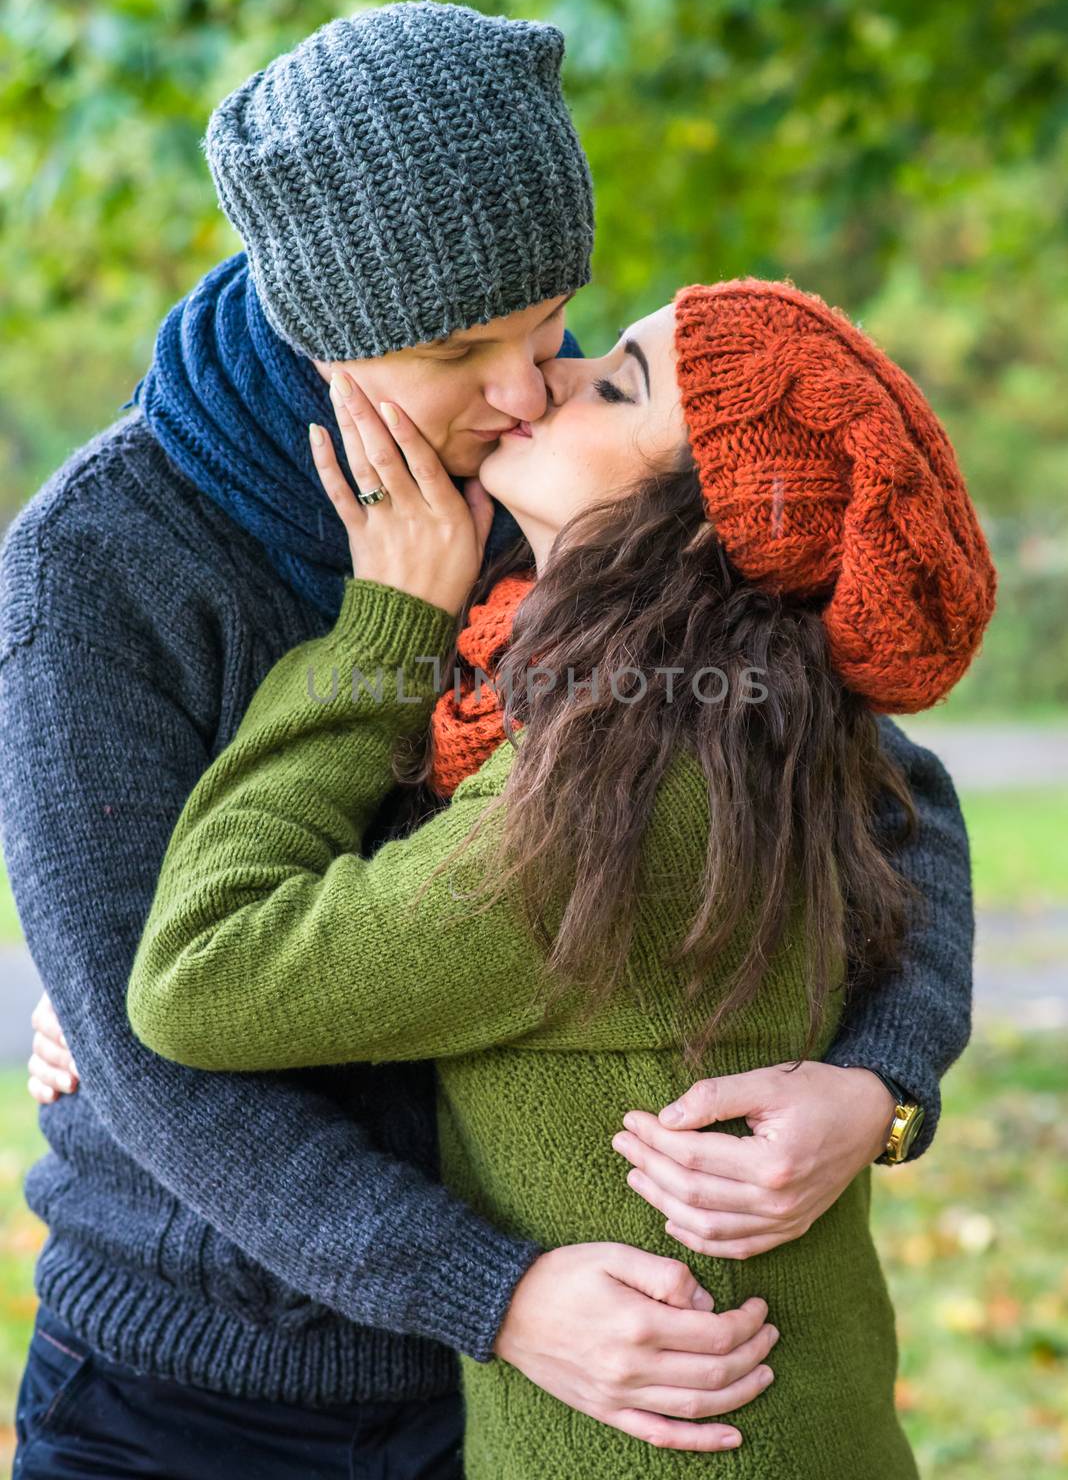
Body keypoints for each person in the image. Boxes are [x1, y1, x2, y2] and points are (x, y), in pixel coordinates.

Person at [1, 0, 972, 1479]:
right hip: (199, 1395)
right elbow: (161, 1045)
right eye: (465, 348)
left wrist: (881, 1086)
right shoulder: (101, 562)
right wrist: (493, 1297)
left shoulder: (580, 489)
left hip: (558, 1401)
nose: (524, 388)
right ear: (323, 324)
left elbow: (891, 797)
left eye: (550, 321)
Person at [125, 277, 996, 1477]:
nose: (548, 380)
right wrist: (884, 1084)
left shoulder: (612, 803)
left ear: (698, 530)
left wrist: (383, 632)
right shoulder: (755, 724)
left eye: (614, 383)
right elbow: (919, 796)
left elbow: (199, 973)